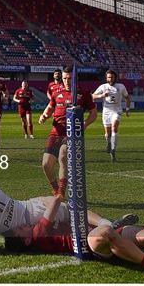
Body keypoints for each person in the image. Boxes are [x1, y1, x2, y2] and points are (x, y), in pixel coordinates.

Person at [4, 195, 144, 277]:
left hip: (93, 233)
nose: (20, 225)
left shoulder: (35, 233)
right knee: (104, 233)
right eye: (18, 230)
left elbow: (72, 210)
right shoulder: (38, 235)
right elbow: (54, 203)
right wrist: (57, 192)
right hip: (87, 243)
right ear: (25, 240)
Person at [0, 175, 134, 254]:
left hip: (28, 221)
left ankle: (111, 229)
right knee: (70, 212)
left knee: (69, 220)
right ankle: (106, 223)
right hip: (28, 205)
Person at [39, 66, 97, 197]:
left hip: (72, 132)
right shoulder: (56, 91)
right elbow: (50, 107)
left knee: (63, 156)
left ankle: (61, 191)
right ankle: (55, 188)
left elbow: (93, 113)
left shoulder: (84, 93)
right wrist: (44, 116)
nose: (66, 80)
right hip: (56, 131)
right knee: (46, 164)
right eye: (64, 78)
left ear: (75, 78)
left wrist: (85, 124)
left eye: (69, 78)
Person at [92, 70, 131, 162]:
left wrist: (128, 109)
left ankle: (113, 149)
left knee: (114, 128)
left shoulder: (121, 86)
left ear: (115, 78)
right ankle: (109, 143)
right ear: (106, 78)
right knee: (107, 134)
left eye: (112, 77)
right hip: (106, 112)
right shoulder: (103, 87)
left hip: (116, 111)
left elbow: (127, 98)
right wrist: (101, 95)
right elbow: (92, 96)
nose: (110, 79)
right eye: (109, 77)